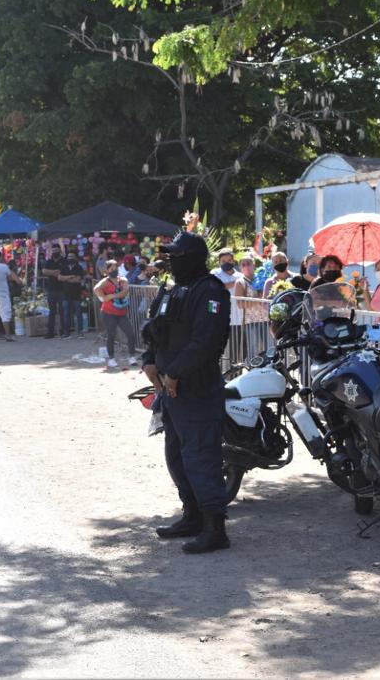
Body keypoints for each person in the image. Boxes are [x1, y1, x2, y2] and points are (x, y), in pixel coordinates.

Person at [142, 231, 232, 554]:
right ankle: (192, 515)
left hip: (197, 389)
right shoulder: (173, 289)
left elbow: (205, 342)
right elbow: (155, 329)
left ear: (193, 257)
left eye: (178, 255)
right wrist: (149, 362)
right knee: (177, 456)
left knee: (201, 457)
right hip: (170, 389)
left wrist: (176, 372)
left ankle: (214, 527)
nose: (172, 261)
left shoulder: (211, 292)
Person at [94, 260, 138, 368]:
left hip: (121, 312)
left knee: (130, 333)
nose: (114, 270)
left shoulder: (123, 280)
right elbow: (96, 289)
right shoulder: (105, 281)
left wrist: (111, 296)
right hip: (108, 313)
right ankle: (111, 359)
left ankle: (132, 356)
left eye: (116, 268)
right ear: (107, 270)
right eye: (112, 269)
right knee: (111, 335)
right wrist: (103, 298)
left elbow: (125, 292)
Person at [60, 250, 87, 339]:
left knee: (78, 314)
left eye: (72, 257)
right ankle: (66, 333)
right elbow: (59, 278)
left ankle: (80, 332)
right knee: (66, 314)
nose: (70, 258)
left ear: (75, 258)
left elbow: (78, 279)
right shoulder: (64, 267)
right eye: (69, 257)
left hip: (76, 294)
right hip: (65, 294)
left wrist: (66, 279)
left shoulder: (79, 267)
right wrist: (70, 276)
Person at [42, 245, 65, 339]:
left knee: (63, 311)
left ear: (60, 251)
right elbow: (44, 271)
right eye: (53, 250)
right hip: (51, 289)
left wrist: (51, 272)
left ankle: (64, 331)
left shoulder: (64, 261)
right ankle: (50, 332)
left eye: (56, 250)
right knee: (52, 311)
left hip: (62, 289)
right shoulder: (49, 261)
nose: (55, 252)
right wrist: (55, 272)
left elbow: (63, 272)